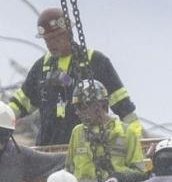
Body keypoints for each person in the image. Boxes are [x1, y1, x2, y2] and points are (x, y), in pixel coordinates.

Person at [8, 8, 139, 146]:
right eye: (47, 39)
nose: (51, 44)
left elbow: (123, 105)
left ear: (68, 33)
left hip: (88, 153)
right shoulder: (41, 67)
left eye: (56, 38)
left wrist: (137, 138)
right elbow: (21, 103)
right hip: (48, 152)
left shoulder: (96, 62)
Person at [65, 79, 144, 182]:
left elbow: (139, 175)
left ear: (100, 105)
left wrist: (113, 170)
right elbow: (69, 171)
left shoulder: (127, 133)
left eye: (81, 106)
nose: (77, 112)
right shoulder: (77, 132)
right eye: (76, 107)